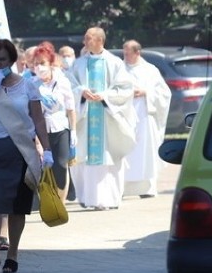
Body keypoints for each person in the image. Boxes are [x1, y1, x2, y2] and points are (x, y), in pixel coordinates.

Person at [0, 39, 53, 273]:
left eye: (3, 59)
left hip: (20, 150)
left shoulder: (27, 86)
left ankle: (13, 254)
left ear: (12, 61)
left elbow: (38, 119)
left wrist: (47, 149)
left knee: (17, 206)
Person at [67, 27, 136, 210]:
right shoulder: (79, 63)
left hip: (107, 119)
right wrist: (81, 92)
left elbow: (126, 89)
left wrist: (105, 96)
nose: (85, 42)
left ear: (100, 40)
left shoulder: (114, 63)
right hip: (86, 117)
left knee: (108, 156)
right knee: (86, 158)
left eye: (88, 38)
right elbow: (69, 86)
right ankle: (89, 199)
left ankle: (110, 199)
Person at [121, 40, 171, 198]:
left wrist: (146, 92)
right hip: (125, 117)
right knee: (126, 150)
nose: (125, 56)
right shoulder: (119, 69)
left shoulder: (150, 70)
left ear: (137, 53)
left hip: (144, 116)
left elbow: (165, 93)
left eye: (128, 53)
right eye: (124, 53)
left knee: (145, 151)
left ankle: (146, 189)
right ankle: (124, 188)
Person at [31, 45, 76, 202]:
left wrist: (74, 130)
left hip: (60, 127)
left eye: (42, 63)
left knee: (61, 165)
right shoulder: (32, 84)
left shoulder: (61, 81)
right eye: (36, 64)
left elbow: (70, 108)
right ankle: (48, 201)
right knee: (43, 167)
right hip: (41, 131)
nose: (39, 67)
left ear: (50, 63)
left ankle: (61, 201)